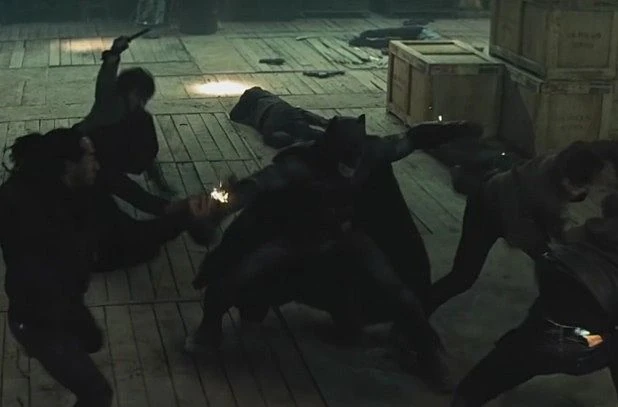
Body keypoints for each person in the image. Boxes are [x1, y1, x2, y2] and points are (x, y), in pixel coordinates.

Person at [186, 115, 483, 392]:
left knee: (398, 291)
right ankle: (209, 328)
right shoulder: (299, 166)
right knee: (237, 275)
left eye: (355, 156)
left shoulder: (371, 152)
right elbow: (251, 188)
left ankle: (428, 353)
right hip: (294, 239)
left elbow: (414, 138)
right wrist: (215, 207)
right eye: (345, 156)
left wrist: (454, 129)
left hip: (343, 236)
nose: (351, 164)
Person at [0, 128, 239, 406]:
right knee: (97, 393)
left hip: (65, 303)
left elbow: (133, 224)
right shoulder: (30, 211)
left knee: (91, 342)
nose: (96, 164)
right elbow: (127, 238)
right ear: (69, 165)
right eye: (90, 157)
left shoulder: (75, 191)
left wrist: (183, 212)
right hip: (38, 318)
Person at [451, 192, 618, 406]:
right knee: (533, 351)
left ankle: (470, 394)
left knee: (517, 356)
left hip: (558, 300)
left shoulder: (590, 231)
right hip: (585, 319)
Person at [429, 141, 607, 315]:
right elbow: (520, 231)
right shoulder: (540, 189)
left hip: (515, 205)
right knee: (462, 277)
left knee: (554, 260)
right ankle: (421, 308)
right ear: (567, 180)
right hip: (486, 209)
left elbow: (551, 217)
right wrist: (547, 253)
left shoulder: (560, 163)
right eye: (581, 186)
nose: (586, 190)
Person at [74, 35, 171, 195]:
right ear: (132, 91)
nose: (142, 102)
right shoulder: (110, 102)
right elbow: (106, 77)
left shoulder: (140, 116)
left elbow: (148, 151)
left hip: (108, 155)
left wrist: (158, 181)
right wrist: (115, 52)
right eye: (140, 96)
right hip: (83, 146)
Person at [229, 86, 331, 148]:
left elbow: (233, 115)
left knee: (297, 129)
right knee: (301, 124)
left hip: (269, 114)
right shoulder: (263, 95)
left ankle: (304, 137)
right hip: (277, 109)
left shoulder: (252, 99)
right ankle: (324, 130)